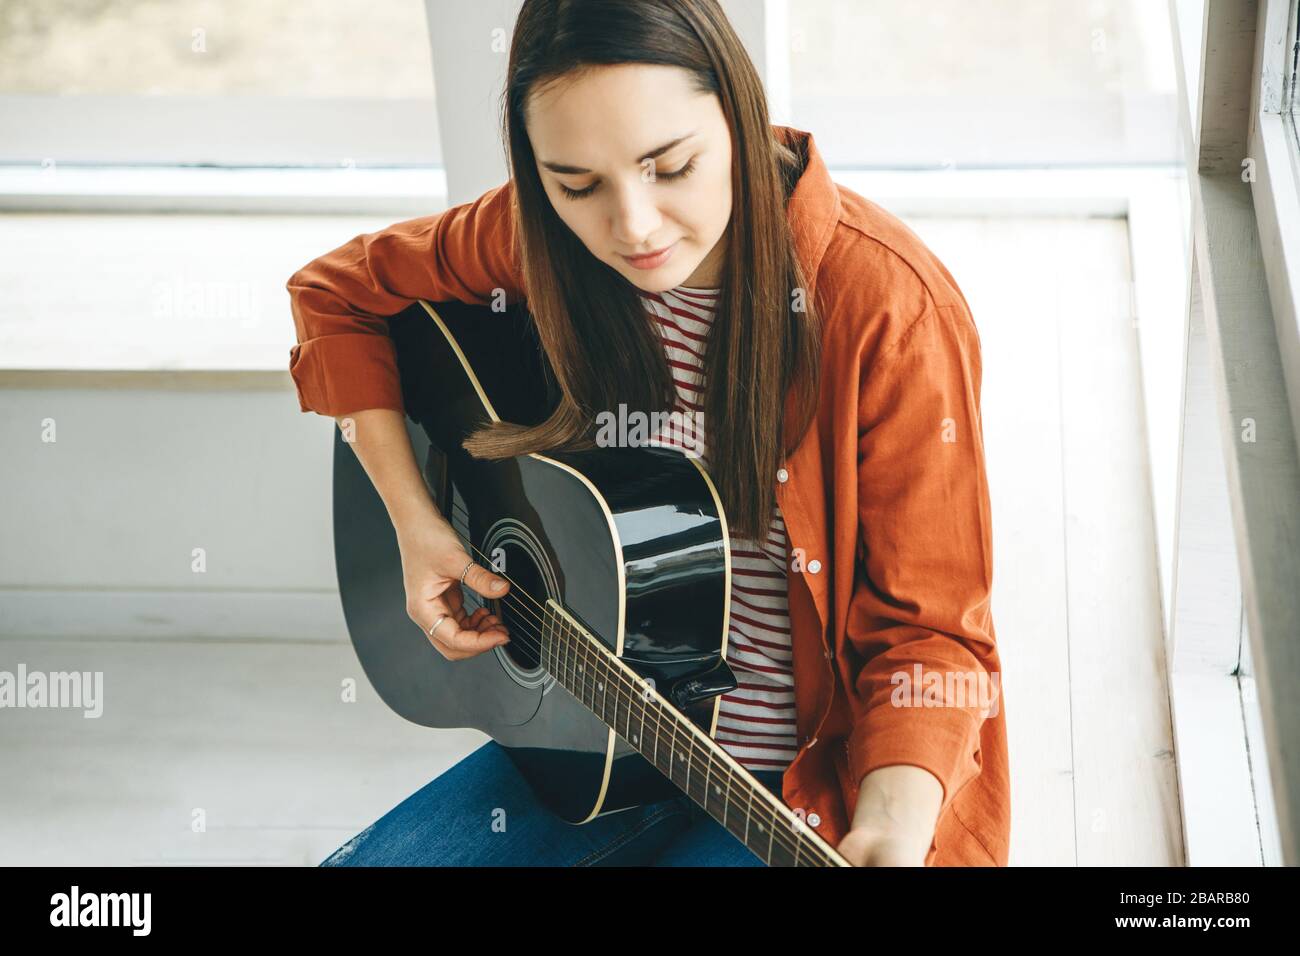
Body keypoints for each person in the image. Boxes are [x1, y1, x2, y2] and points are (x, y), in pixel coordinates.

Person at [287, 0, 1009, 867]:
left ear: (737, 114)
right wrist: (416, 524)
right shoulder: (540, 239)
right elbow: (336, 294)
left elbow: (934, 638)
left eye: (671, 167)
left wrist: (891, 823)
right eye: (576, 184)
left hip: (800, 787)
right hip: (594, 733)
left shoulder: (886, 307)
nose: (632, 227)